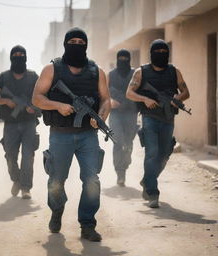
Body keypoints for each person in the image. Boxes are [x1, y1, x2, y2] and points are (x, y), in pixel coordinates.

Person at [32, 27, 110, 242]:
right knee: (56, 181)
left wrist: (100, 117)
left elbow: (105, 100)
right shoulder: (52, 69)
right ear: (65, 44)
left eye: (80, 41)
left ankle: (87, 224)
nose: (77, 45)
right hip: (61, 134)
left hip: (88, 135)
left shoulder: (97, 71)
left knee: (92, 180)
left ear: (86, 45)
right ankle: (57, 211)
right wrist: (57, 105)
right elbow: (37, 98)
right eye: (72, 41)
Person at [126, 39, 190, 208]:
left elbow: (185, 92)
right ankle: (153, 192)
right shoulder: (141, 72)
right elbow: (129, 93)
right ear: (151, 53)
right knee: (152, 153)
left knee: (164, 154)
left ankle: (147, 180)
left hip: (168, 119)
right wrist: (145, 99)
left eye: (164, 52)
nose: (161, 54)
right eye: (158, 52)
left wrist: (177, 98)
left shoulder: (174, 72)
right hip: (149, 118)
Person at [0, 45, 39, 200]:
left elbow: (42, 95)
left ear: (26, 57)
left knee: (28, 156)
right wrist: (5, 100)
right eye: (16, 54)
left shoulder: (33, 76)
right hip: (10, 123)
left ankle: (26, 188)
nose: (19, 56)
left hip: (29, 123)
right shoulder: (4, 77)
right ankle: (16, 180)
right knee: (10, 156)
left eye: (21, 54)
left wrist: (33, 107)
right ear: (11, 57)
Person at [108, 49, 138, 186]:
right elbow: (103, 93)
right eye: (120, 58)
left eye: (126, 58)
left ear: (130, 59)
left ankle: (125, 164)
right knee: (118, 141)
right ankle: (120, 173)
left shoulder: (135, 73)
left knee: (128, 143)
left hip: (131, 113)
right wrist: (110, 100)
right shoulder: (111, 74)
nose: (123, 60)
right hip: (115, 114)